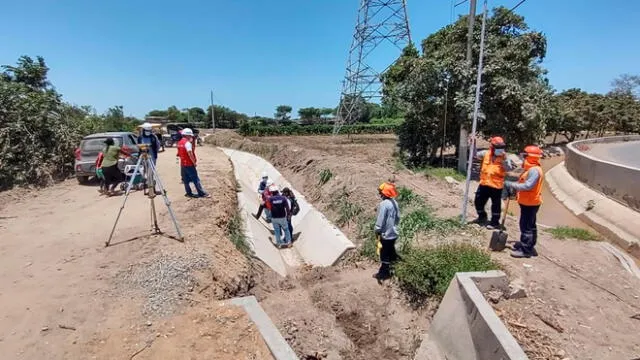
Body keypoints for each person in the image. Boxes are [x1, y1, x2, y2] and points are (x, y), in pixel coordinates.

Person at [504, 145, 544, 258]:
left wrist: (512, 184)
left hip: (530, 203)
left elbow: (528, 186)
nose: (522, 158)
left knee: (526, 226)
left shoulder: (534, 171)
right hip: (528, 202)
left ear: (530, 157)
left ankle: (526, 250)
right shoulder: (530, 169)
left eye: (524, 155)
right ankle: (529, 245)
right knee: (530, 225)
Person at [472, 136, 515, 229]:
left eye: (501, 147)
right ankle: (482, 217)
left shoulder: (504, 157)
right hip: (484, 184)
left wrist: (505, 159)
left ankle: (494, 222)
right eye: (498, 148)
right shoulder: (485, 154)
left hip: (496, 186)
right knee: (478, 202)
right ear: (492, 147)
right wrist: (473, 144)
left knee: (496, 206)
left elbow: (509, 169)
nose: (500, 150)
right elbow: (474, 155)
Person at [373, 182, 400, 281]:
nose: (380, 194)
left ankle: (384, 273)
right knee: (391, 251)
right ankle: (396, 268)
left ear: (385, 193)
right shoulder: (395, 203)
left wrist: (377, 230)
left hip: (386, 234)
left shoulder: (384, 204)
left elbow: (380, 220)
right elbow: (398, 217)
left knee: (384, 253)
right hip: (394, 232)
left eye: (381, 192)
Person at [176, 128, 210, 198]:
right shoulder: (187, 143)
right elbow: (190, 153)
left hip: (183, 164)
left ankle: (188, 193)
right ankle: (201, 193)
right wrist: (194, 162)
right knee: (195, 179)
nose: (191, 137)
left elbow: (179, 154)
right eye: (190, 136)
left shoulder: (179, 143)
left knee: (185, 180)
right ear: (187, 135)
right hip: (189, 164)